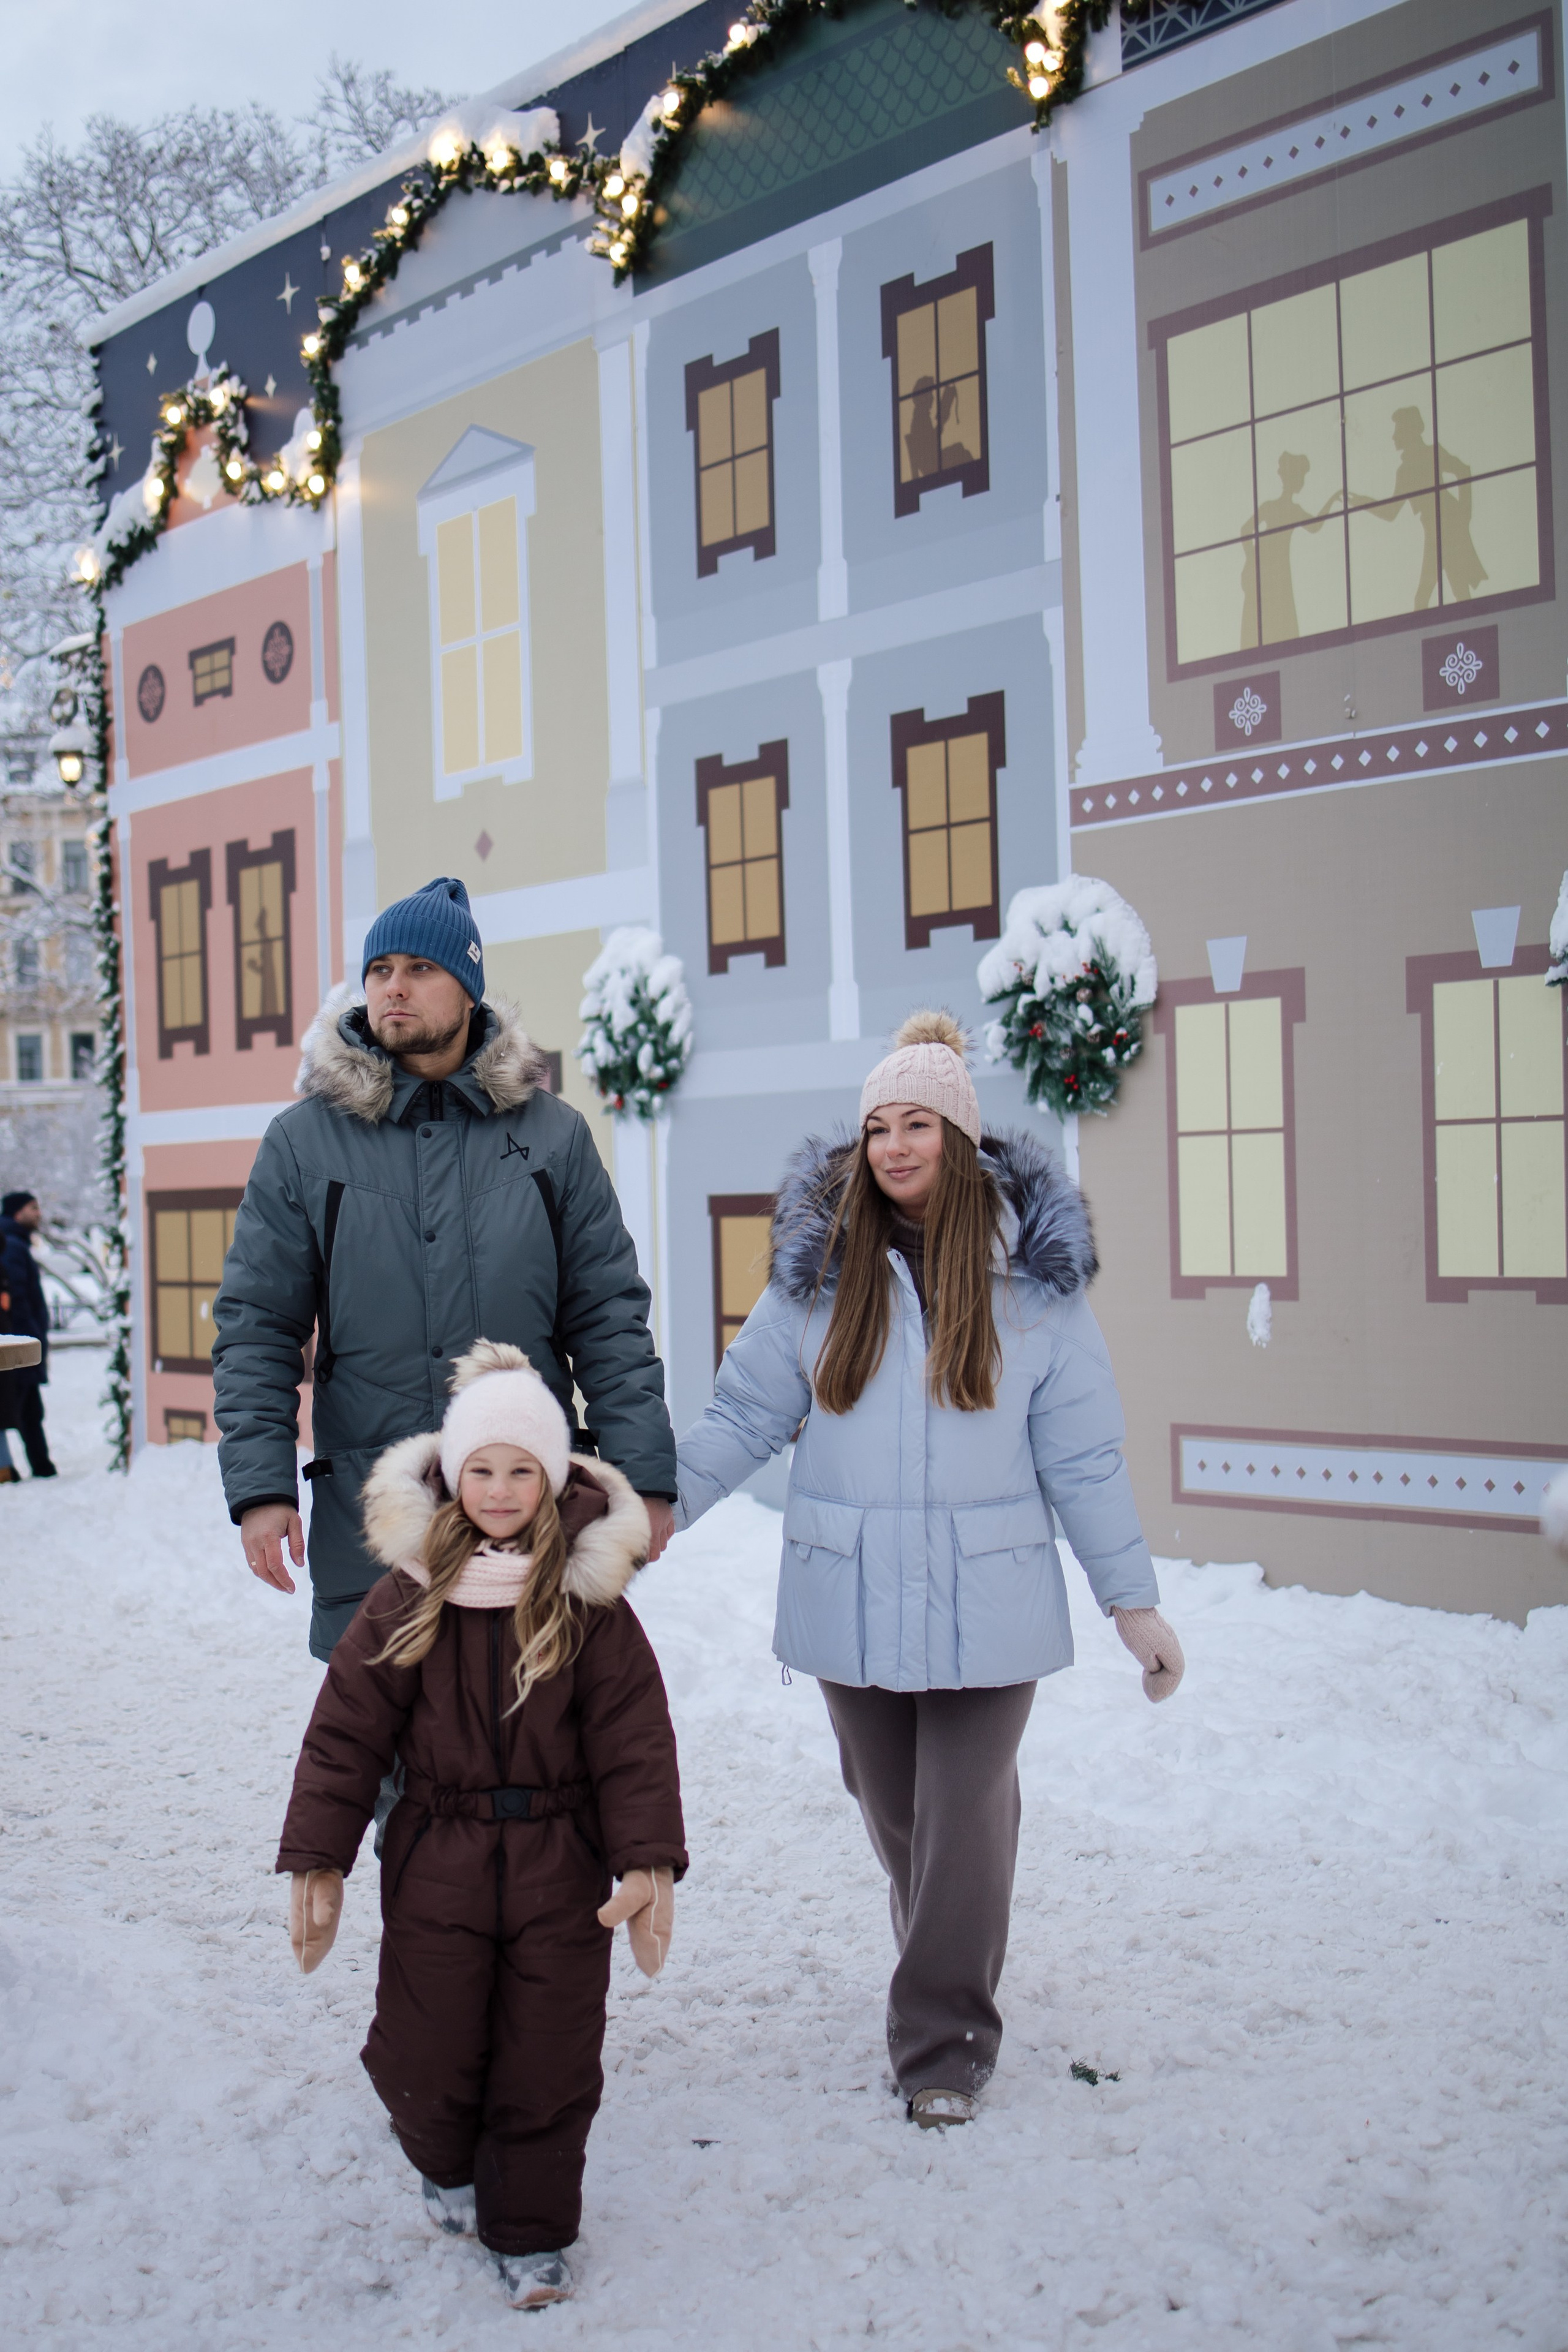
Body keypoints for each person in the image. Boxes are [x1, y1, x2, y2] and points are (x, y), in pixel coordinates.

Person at [674, 1012, 1184, 2129]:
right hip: (850, 1591)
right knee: (896, 1811)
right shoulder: (817, 1278)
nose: (894, 1147)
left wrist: (1131, 1601)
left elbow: (1083, 1455)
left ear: (959, 1138)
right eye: (877, 1128)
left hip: (990, 1597)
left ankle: (943, 2040)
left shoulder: (1036, 1287)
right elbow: (745, 1413)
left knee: (962, 1816)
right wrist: (655, 1508)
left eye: (917, 1125)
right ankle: (945, 1956)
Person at [276, 1340, 687, 2310]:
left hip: (561, 1865)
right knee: (429, 2043)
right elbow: (346, 1733)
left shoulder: (591, 1607)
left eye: (521, 1471)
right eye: (483, 1470)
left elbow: (635, 1742)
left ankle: (534, 2232)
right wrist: (318, 1861)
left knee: (550, 2054)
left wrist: (647, 1863)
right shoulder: (407, 1596)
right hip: (438, 1859)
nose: (500, 1490)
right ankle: (439, 2152)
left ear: (551, 1481)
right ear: (454, 1476)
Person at [213, 876, 677, 1660]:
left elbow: (606, 1316)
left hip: (528, 1507)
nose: (395, 986)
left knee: (532, 1761)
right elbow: (259, 1327)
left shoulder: (553, 1138)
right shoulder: (302, 1145)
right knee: (385, 1766)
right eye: (380, 969)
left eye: (420, 969)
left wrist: (644, 1480)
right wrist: (261, 1488)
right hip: (374, 1516)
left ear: (468, 991)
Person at [0, 1189, 56, 1482]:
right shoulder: (10, 1245)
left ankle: (41, 1466)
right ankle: (20, 1468)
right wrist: (31, 1340)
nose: (38, 1213)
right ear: (17, 1212)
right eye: (33, 1208)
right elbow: (16, 1299)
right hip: (17, 1349)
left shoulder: (14, 1242)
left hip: (21, 1345)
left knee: (28, 1410)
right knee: (19, 1409)